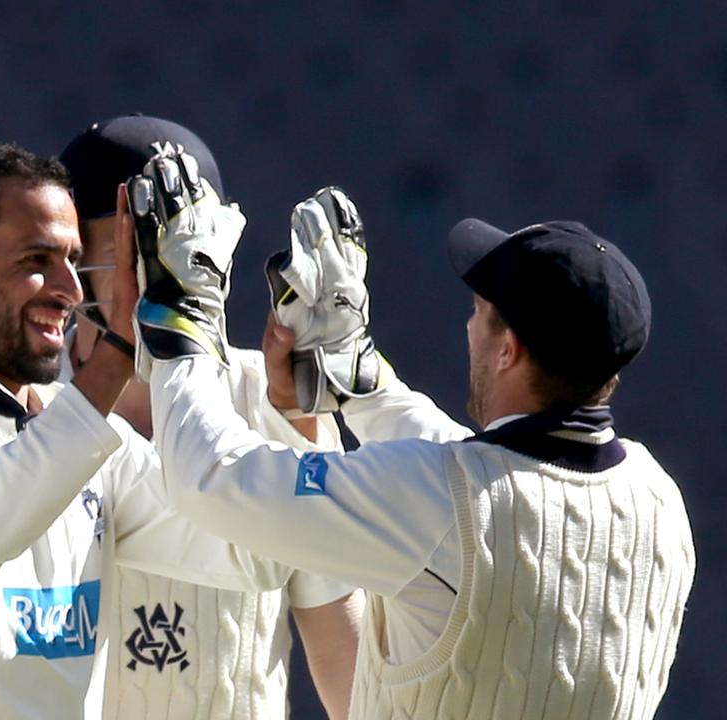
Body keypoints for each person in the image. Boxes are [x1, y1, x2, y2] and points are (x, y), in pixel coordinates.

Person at [121, 148, 695, 719]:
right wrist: (358, 381)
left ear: (508, 350)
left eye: (479, 311)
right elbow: (489, 476)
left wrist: (182, 312)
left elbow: (213, 478)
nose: (470, 325)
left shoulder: (440, 502)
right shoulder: (659, 497)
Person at [0, 139, 301, 720]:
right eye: (36, 262)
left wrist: (254, 387)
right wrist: (116, 355)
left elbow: (257, 557)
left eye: (73, 260)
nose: (70, 290)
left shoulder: (80, 431)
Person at [58, 115, 359, 719]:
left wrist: (299, 426)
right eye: (136, 247)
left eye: (176, 242)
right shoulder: (29, 414)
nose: (156, 273)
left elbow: (350, 673)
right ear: (72, 258)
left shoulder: (272, 400)